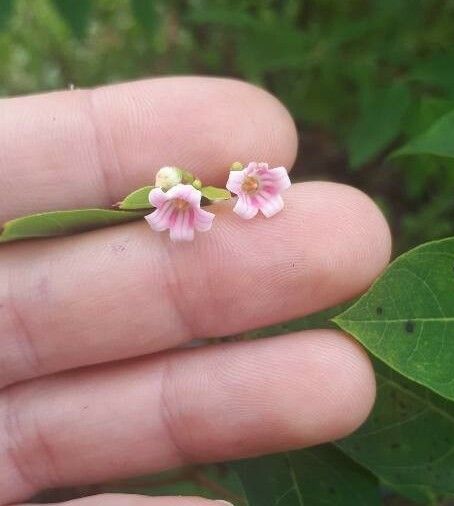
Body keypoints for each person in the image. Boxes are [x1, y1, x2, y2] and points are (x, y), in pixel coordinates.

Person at [0, 77, 391, 506]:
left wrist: (213, 193)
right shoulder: (183, 208)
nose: (254, 186)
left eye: (254, 184)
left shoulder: (227, 196)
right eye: (249, 184)